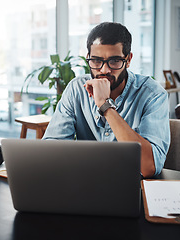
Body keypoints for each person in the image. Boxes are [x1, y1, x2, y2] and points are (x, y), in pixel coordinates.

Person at [42, 22, 170, 178]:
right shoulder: (76, 89)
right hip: (85, 184)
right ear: (88, 58)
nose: (104, 70)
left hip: (131, 187)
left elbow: (148, 167)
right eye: (96, 61)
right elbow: (50, 152)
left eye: (114, 61)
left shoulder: (153, 95)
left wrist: (106, 106)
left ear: (128, 59)